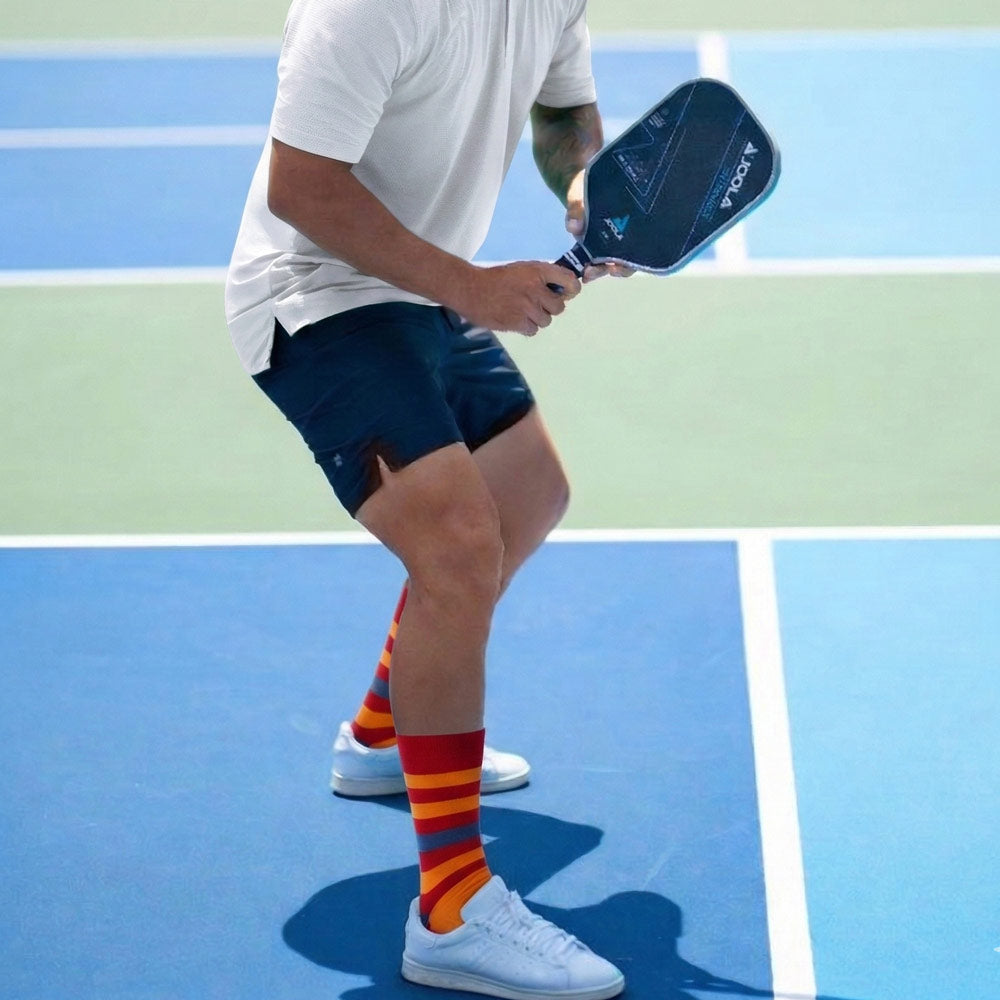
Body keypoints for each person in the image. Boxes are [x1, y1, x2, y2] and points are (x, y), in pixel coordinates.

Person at [225, 2, 629, 997]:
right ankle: (450, 908)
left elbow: (562, 112)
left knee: (528, 495)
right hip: (317, 296)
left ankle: (378, 736)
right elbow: (302, 186)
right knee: (457, 547)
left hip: (418, 292)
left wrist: (585, 182)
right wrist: (470, 285)